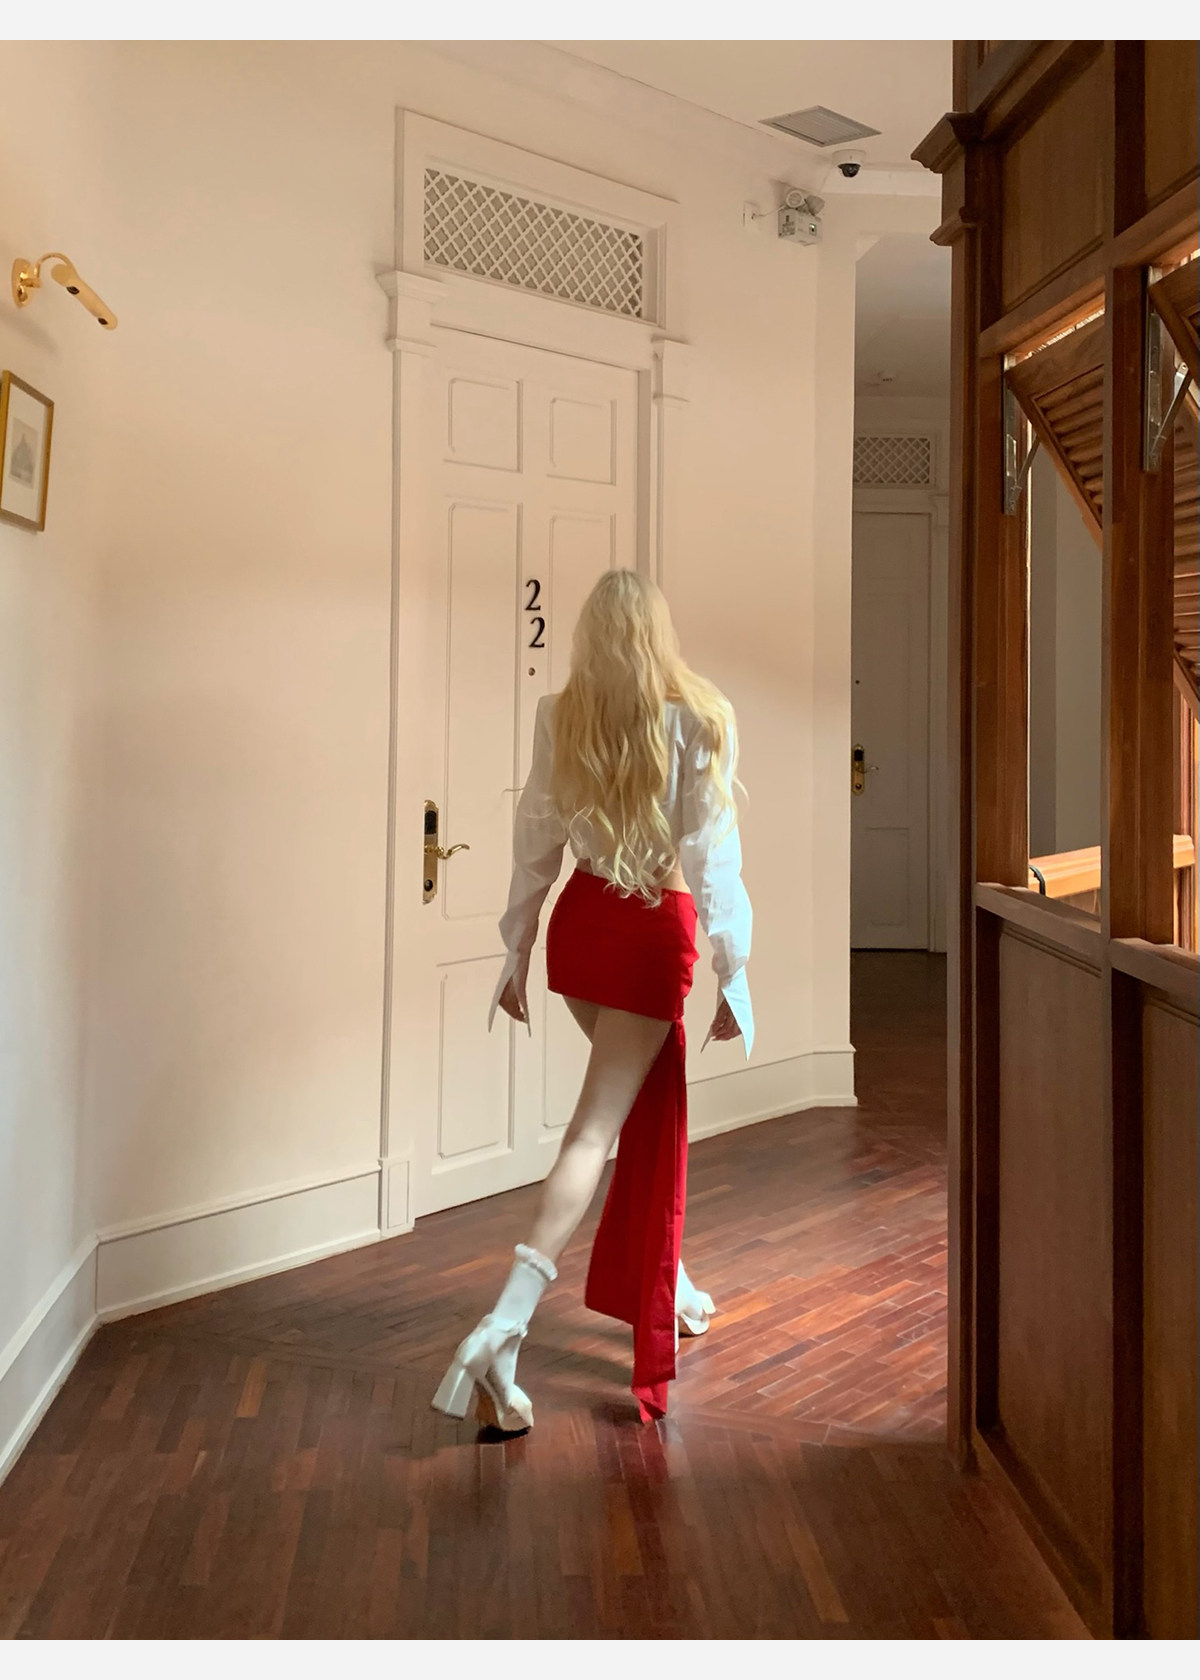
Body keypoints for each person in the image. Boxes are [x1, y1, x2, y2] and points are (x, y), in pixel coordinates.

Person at [431, 570, 753, 1432]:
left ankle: (671, 1284)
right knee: (595, 1130)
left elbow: (534, 837)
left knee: (642, 1110)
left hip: (581, 932)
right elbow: (710, 856)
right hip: (648, 937)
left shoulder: (559, 715)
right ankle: (504, 1325)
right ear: (658, 634)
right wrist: (734, 971)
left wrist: (518, 949)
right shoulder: (697, 716)